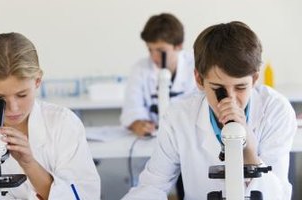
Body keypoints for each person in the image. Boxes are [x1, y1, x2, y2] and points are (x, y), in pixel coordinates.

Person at [122, 21, 297, 200]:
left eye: (241, 87)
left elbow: (278, 195)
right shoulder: (179, 116)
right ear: (198, 79)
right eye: (218, 89)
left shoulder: (275, 110)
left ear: (254, 78)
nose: (230, 100)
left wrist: (249, 149)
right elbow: (152, 186)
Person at [0, 33, 100, 199]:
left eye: (22, 95)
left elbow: (84, 196)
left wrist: (29, 164)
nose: (13, 108)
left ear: (37, 81)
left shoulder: (64, 123)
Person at [120, 13, 197, 137]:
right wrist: (138, 124)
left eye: (161, 51)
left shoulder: (195, 67)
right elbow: (131, 110)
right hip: (153, 139)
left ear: (178, 46)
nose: (154, 57)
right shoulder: (140, 69)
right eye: (150, 50)